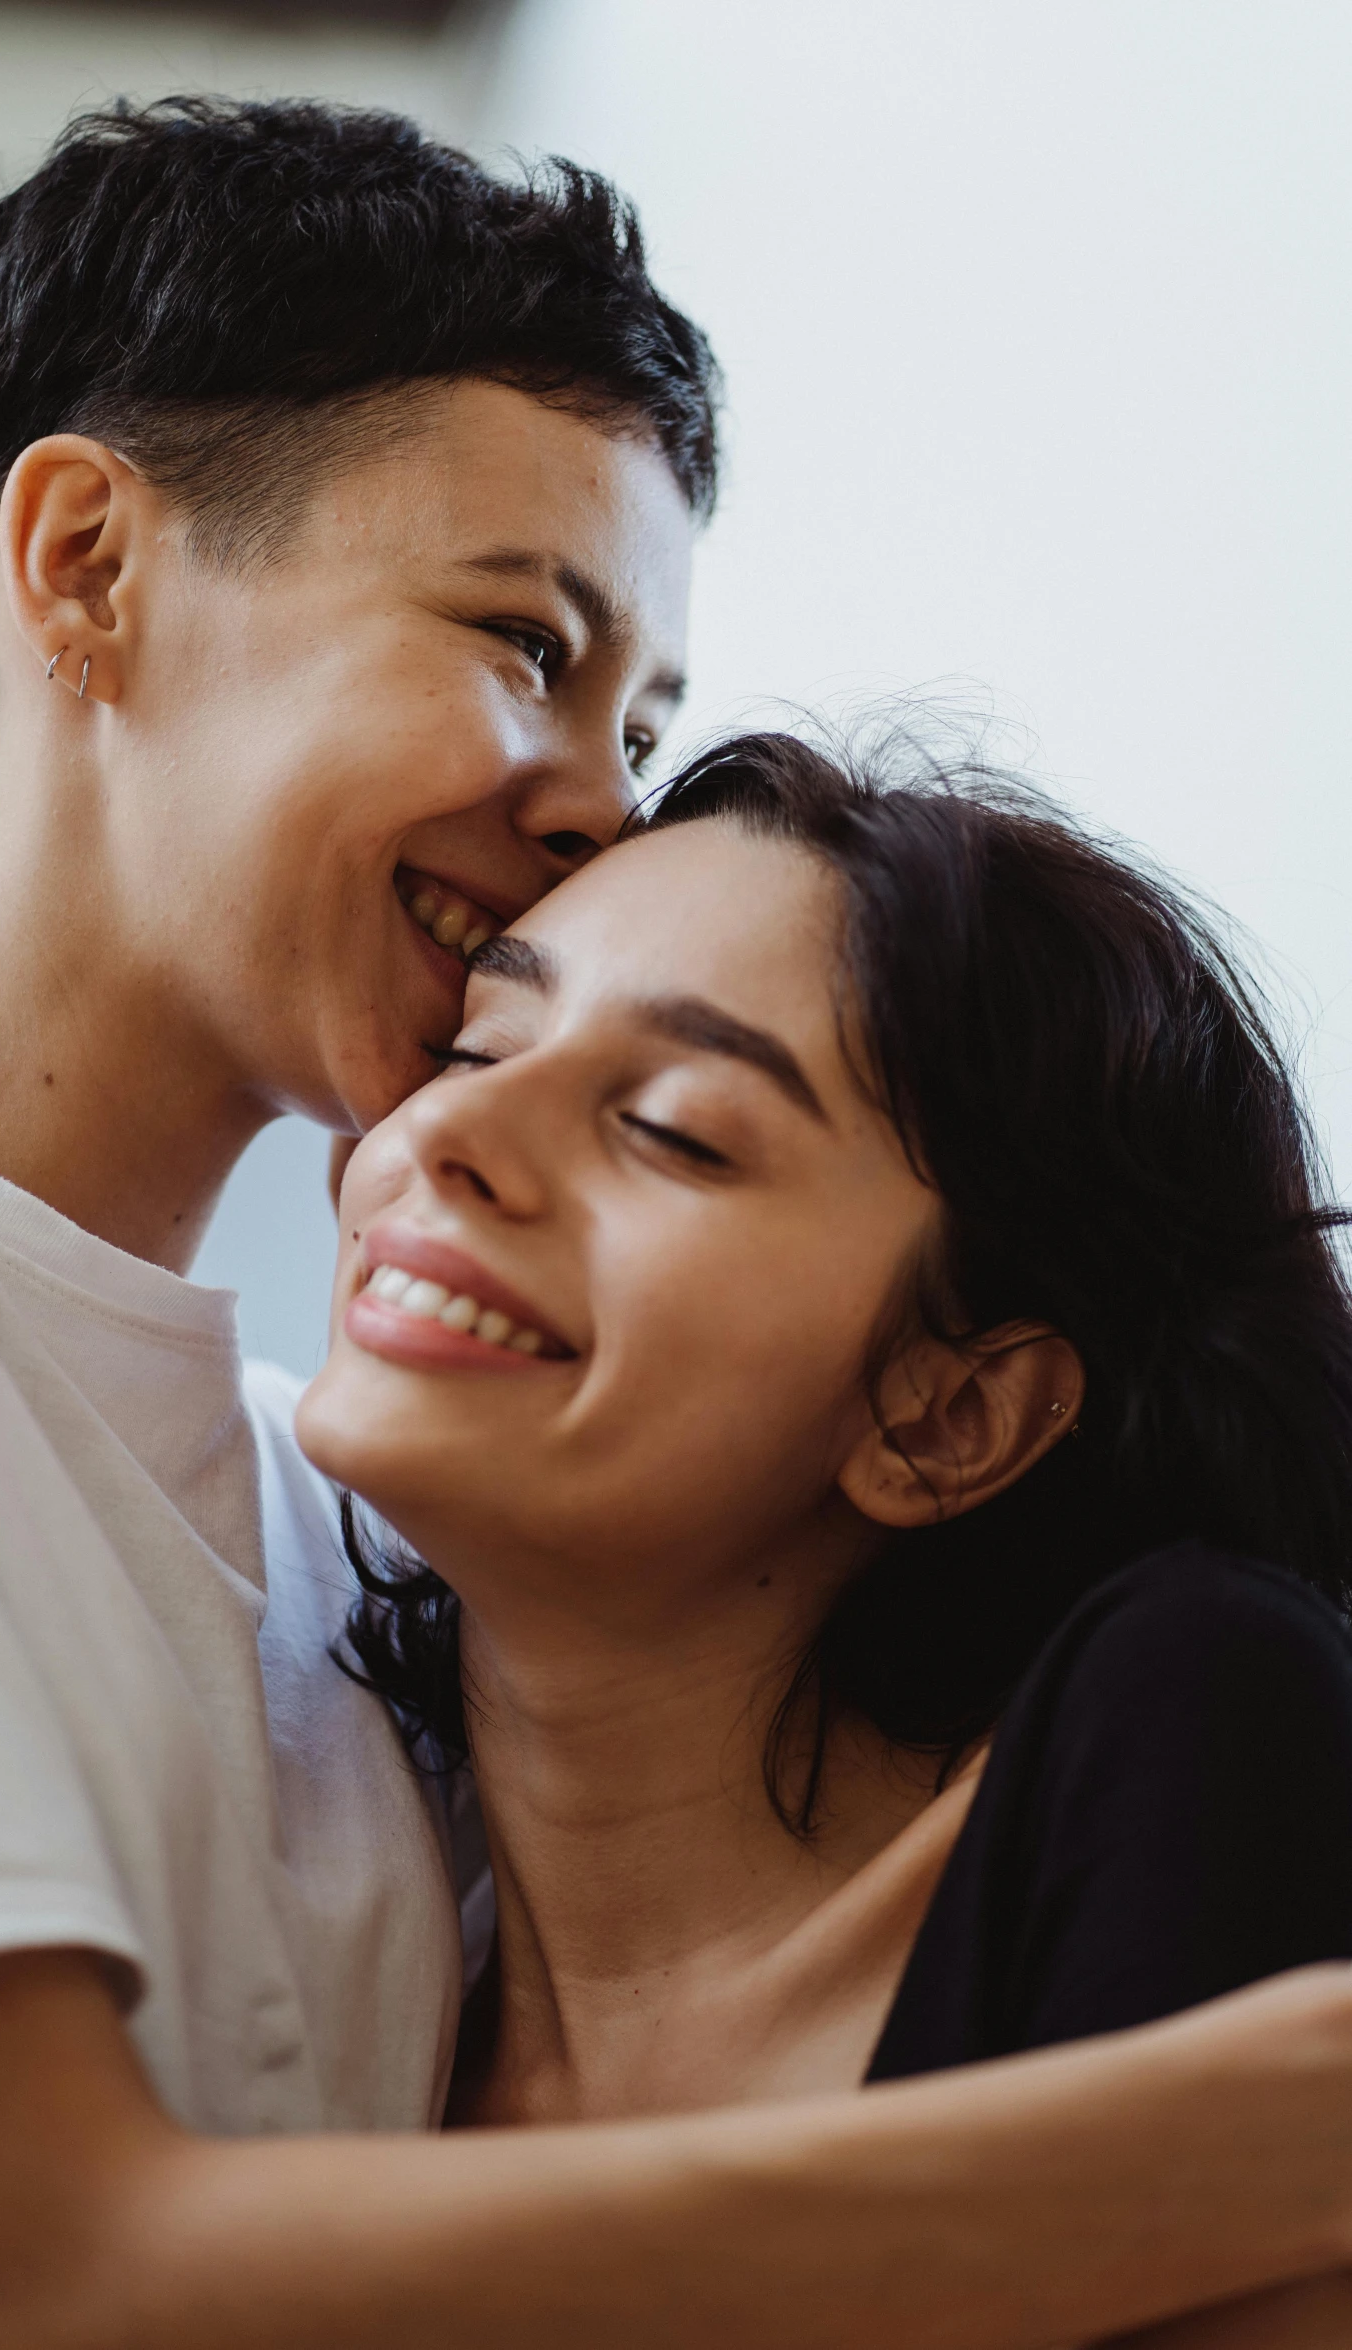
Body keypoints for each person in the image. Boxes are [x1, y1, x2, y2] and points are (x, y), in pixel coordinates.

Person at [0, 84, 1351, 2350]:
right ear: (87, 564)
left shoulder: (363, 1542)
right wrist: (1241, 2127)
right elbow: (24, 2267)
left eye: (647, 715)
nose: (598, 800)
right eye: (529, 641)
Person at [299, 730, 1352, 2137]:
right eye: (475, 1043)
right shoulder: (327, 1980)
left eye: (673, 1129)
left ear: (947, 1415)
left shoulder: (1196, 1720)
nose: (446, 1130)